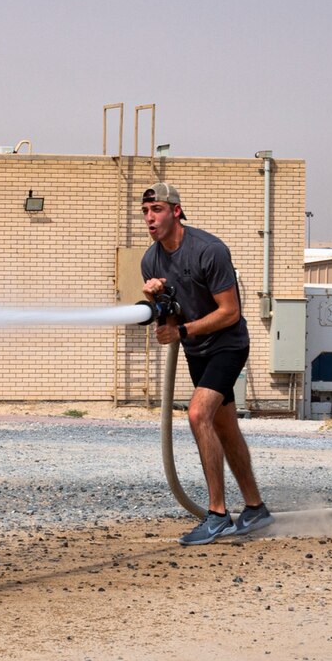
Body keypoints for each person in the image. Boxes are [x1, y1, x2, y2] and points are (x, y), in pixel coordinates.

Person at [139, 183, 272, 545]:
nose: (151, 218)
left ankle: (216, 514)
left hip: (227, 345)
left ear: (177, 211)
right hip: (196, 350)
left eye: (158, 210)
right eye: (146, 212)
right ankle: (255, 508)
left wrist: (181, 330)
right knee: (224, 427)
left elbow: (230, 313)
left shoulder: (208, 250)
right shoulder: (150, 260)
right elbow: (167, 321)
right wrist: (155, 303)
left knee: (198, 415)